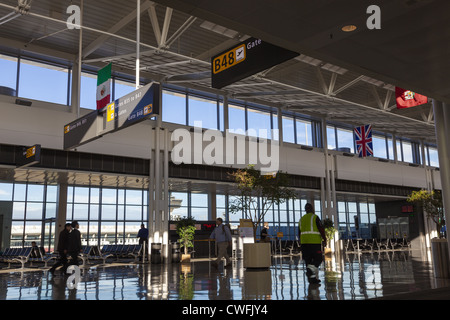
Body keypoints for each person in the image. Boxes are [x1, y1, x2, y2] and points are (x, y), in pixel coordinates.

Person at [298, 203, 326, 284]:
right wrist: (324, 239)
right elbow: (321, 229)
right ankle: (310, 270)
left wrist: (300, 242)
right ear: (312, 209)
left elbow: (299, 232)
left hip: (304, 243)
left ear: (305, 210)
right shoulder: (315, 217)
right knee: (318, 259)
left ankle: (312, 279)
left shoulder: (301, 219)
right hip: (314, 242)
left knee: (308, 261)